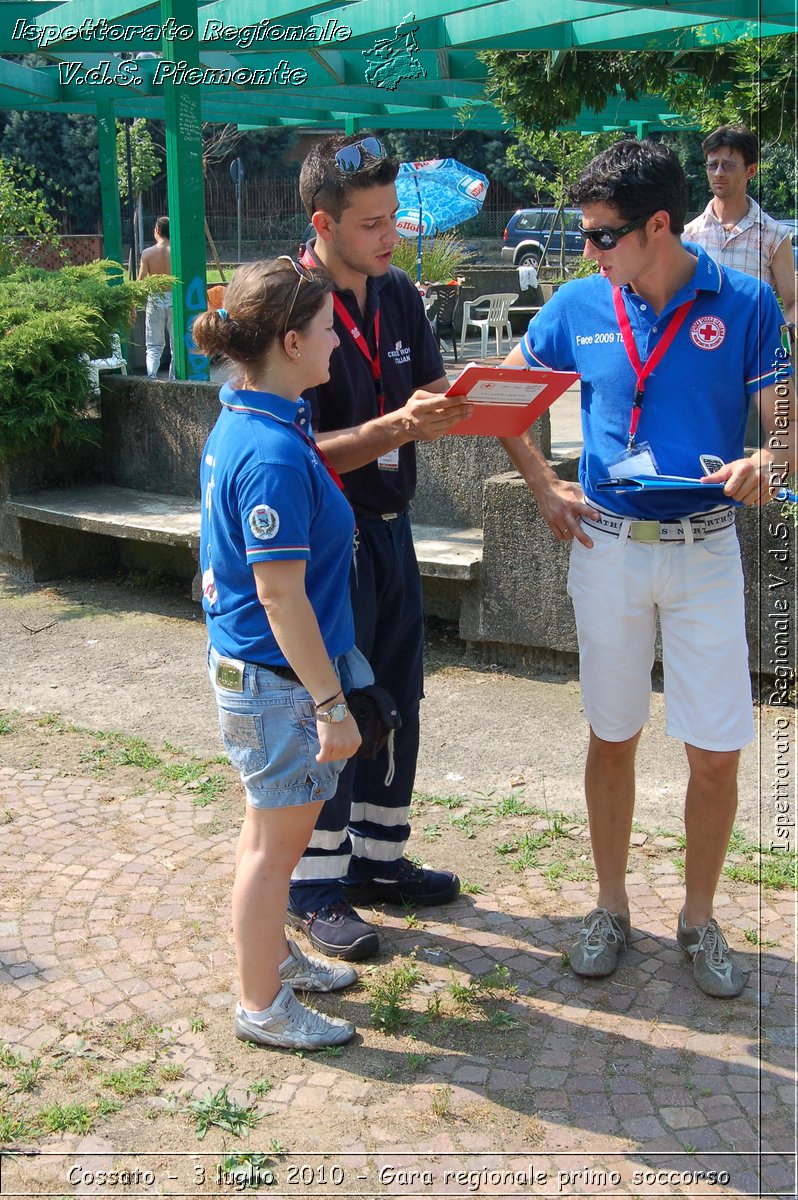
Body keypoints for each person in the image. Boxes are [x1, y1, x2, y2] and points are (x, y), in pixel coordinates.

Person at [499, 139, 795, 997]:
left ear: (657, 226)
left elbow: (785, 428)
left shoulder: (743, 304)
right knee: (613, 735)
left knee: (715, 754)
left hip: (706, 550)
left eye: (602, 235)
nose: (589, 251)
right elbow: (499, 396)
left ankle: (699, 920)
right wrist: (545, 484)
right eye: (587, 236)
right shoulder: (578, 304)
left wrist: (769, 464)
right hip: (609, 551)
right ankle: (610, 906)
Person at [286, 134, 472, 961]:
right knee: (330, 707)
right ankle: (313, 886)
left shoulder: (397, 293)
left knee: (397, 696)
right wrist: (396, 426)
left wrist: (483, 397)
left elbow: (428, 388)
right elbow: (295, 453)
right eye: (371, 222)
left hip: (393, 529)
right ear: (323, 224)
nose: (390, 234)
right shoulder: (286, 308)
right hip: (328, 545)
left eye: (394, 216)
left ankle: (380, 861)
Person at [194, 258, 368, 1049]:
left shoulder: (257, 413)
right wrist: (331, 705)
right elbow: (280, 596)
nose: (338, 343)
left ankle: (270, 961)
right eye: (330, 330)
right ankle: (261, 1004)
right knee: (275, 850)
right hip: (276, 684)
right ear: (292, 342)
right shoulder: (268, 448)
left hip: (262, 675)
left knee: (268, 836)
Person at [683, 125, 796, 330]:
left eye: (728, 165)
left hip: (751, 352)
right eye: (712, 165)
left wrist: (782, 341)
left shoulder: (774, 236)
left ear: (751, 171)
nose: (718, 173)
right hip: (701, 348)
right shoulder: (689, 235)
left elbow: (792, 303)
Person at [138, 216, 174, 379]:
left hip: (155, 299)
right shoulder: (177, 252)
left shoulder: (147, 254)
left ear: (157, 230)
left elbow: (141, 281)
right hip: (175, 299)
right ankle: (175, 380)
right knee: (176, 346)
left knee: (153, 346)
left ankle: (151, 378)